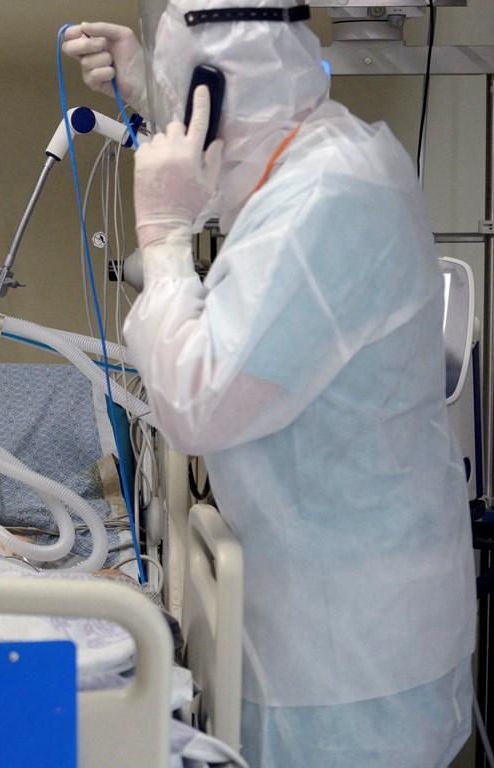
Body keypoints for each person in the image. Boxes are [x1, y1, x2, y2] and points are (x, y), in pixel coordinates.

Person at [64, 3, 474, 766]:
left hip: (350, 660)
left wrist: (163, 240)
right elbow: (242, 157)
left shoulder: (328, 202)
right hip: (338, 617)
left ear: (213, 95)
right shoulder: (325, 152)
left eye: (188, 100)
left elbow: (197, 404)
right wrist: (153, 93)